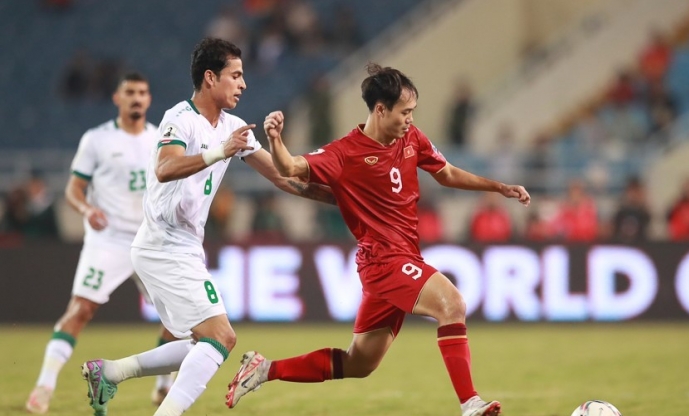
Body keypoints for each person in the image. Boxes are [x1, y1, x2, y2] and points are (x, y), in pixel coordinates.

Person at [226, 64, 530, 416]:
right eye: (405, 112)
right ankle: (470, 402)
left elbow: (446, 173)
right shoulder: (345, 153)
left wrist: (498, 187)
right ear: (381, 109)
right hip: (384, 261)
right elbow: (290, 168)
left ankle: (263, 369)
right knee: (452, 304)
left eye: (412, 112)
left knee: (359, 363)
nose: (410, 120)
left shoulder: (411, 139)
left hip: (401, 259)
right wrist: (276, 140)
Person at [79, 37, 335, 416]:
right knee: (221, 338)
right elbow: (165, 168)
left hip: (182, 247)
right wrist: (220, 151)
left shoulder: (233, 127)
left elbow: (282, 178)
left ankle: (112, 372)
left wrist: (341, 200)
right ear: (211, 78)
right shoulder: (180, 118)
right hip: (163, 244)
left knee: (204, 342)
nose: (243, 84)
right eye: (236, 75)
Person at [25, 72, 178, 414]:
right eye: (130, 92)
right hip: (108, 239)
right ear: (117, 98)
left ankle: (163, 386)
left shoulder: (160, 139)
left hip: (148, 239)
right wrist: (86, 209)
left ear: (149, 99)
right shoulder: (97, 140)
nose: (136, 98)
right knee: (81, 309)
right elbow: (73, 189)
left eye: (142, 92)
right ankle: (44, 386)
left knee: (176, 316)